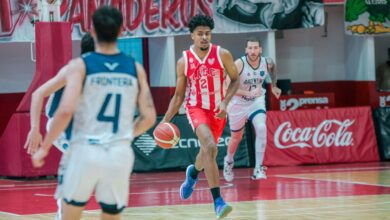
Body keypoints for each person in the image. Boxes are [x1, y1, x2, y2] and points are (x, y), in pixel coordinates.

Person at [31, 6, 156, 220]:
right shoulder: (136, 68)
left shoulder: (80, 66)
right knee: (111, 214)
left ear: (92, 31)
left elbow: (65, 111)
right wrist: (123, 136)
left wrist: (44, 146)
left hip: (85, 150)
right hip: (118, 151)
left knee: (70, 212)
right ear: (121, 32)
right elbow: (149, 118)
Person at [160, 14, 239, 219]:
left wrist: (225, 101)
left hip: (218, 110)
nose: (204, 37)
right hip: (196, 108)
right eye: (200, 34)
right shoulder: (183, 61)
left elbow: (235, 80)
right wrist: (165, 121)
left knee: (206, 153)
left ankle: (192, 174)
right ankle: (218, 202)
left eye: (208, 33)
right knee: (210, 147)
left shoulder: (223, 54)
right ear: (192, 36)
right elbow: (178, 96)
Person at [23, 32, 94, 220]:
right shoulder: (73, 70)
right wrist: (34, 128)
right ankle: (63, 208)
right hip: (58, 123)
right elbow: (37, 94)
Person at [223, 37, 281, 182]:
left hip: (256, 101)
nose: (253, 51)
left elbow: (273, 68)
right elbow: (226, 87)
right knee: (236, 138)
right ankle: (228, 161)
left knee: (261, 128)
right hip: (238, 103)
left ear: (260, 49)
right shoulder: (239, 64)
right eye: (250, 48)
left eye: (255, 48)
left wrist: (273, 85)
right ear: (246, 50)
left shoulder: (266, 62)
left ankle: (258, 168)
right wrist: (248, 93)